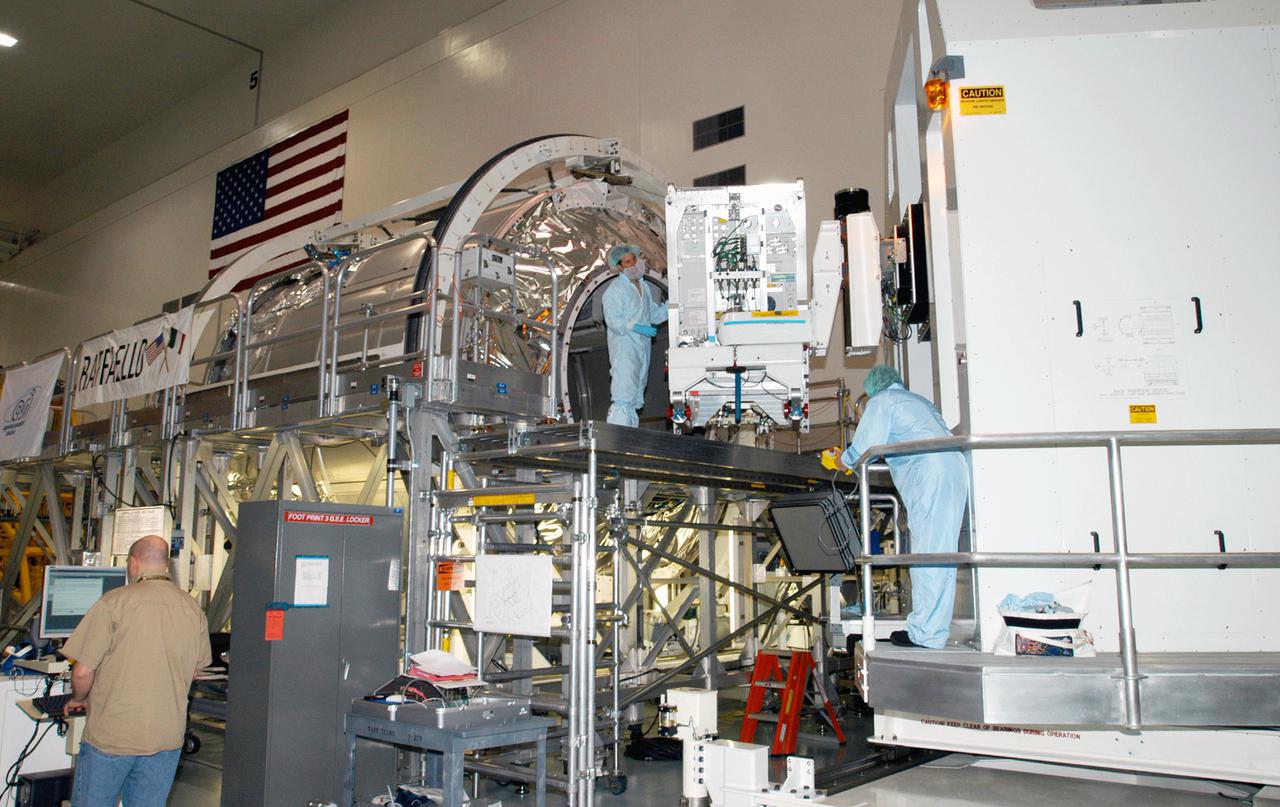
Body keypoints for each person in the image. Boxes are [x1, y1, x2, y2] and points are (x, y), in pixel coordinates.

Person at [62, 535, 211, 807]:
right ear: (166, 564)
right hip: (166, 737)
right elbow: (195, 671)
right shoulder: (192, 608)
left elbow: (82, 672)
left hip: (112, 735)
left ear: (132, 563)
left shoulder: (114, 602)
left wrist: (78, 699)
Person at [832, 365, 969, 648]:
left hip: (930, 474)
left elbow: (864, 448)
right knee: (940, 552)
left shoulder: (882, 401)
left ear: (872, 389)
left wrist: (842, 460)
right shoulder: (917, 401)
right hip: (953, 468)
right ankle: (931, 629)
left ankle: (926, 634)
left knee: (928, 555)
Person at [602, 244, 667, 427]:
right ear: (619, 266)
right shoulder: (615, 290)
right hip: (625, 348)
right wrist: (635, 326)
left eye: (634, 260)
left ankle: (630, 435)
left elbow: (653, 315)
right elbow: (613, 321)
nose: (633, 265)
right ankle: (617, 436)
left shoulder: (644, 287)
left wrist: (674, 306)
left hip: (642, 348)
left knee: (635, 398)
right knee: (623, 395)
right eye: (627, 262)